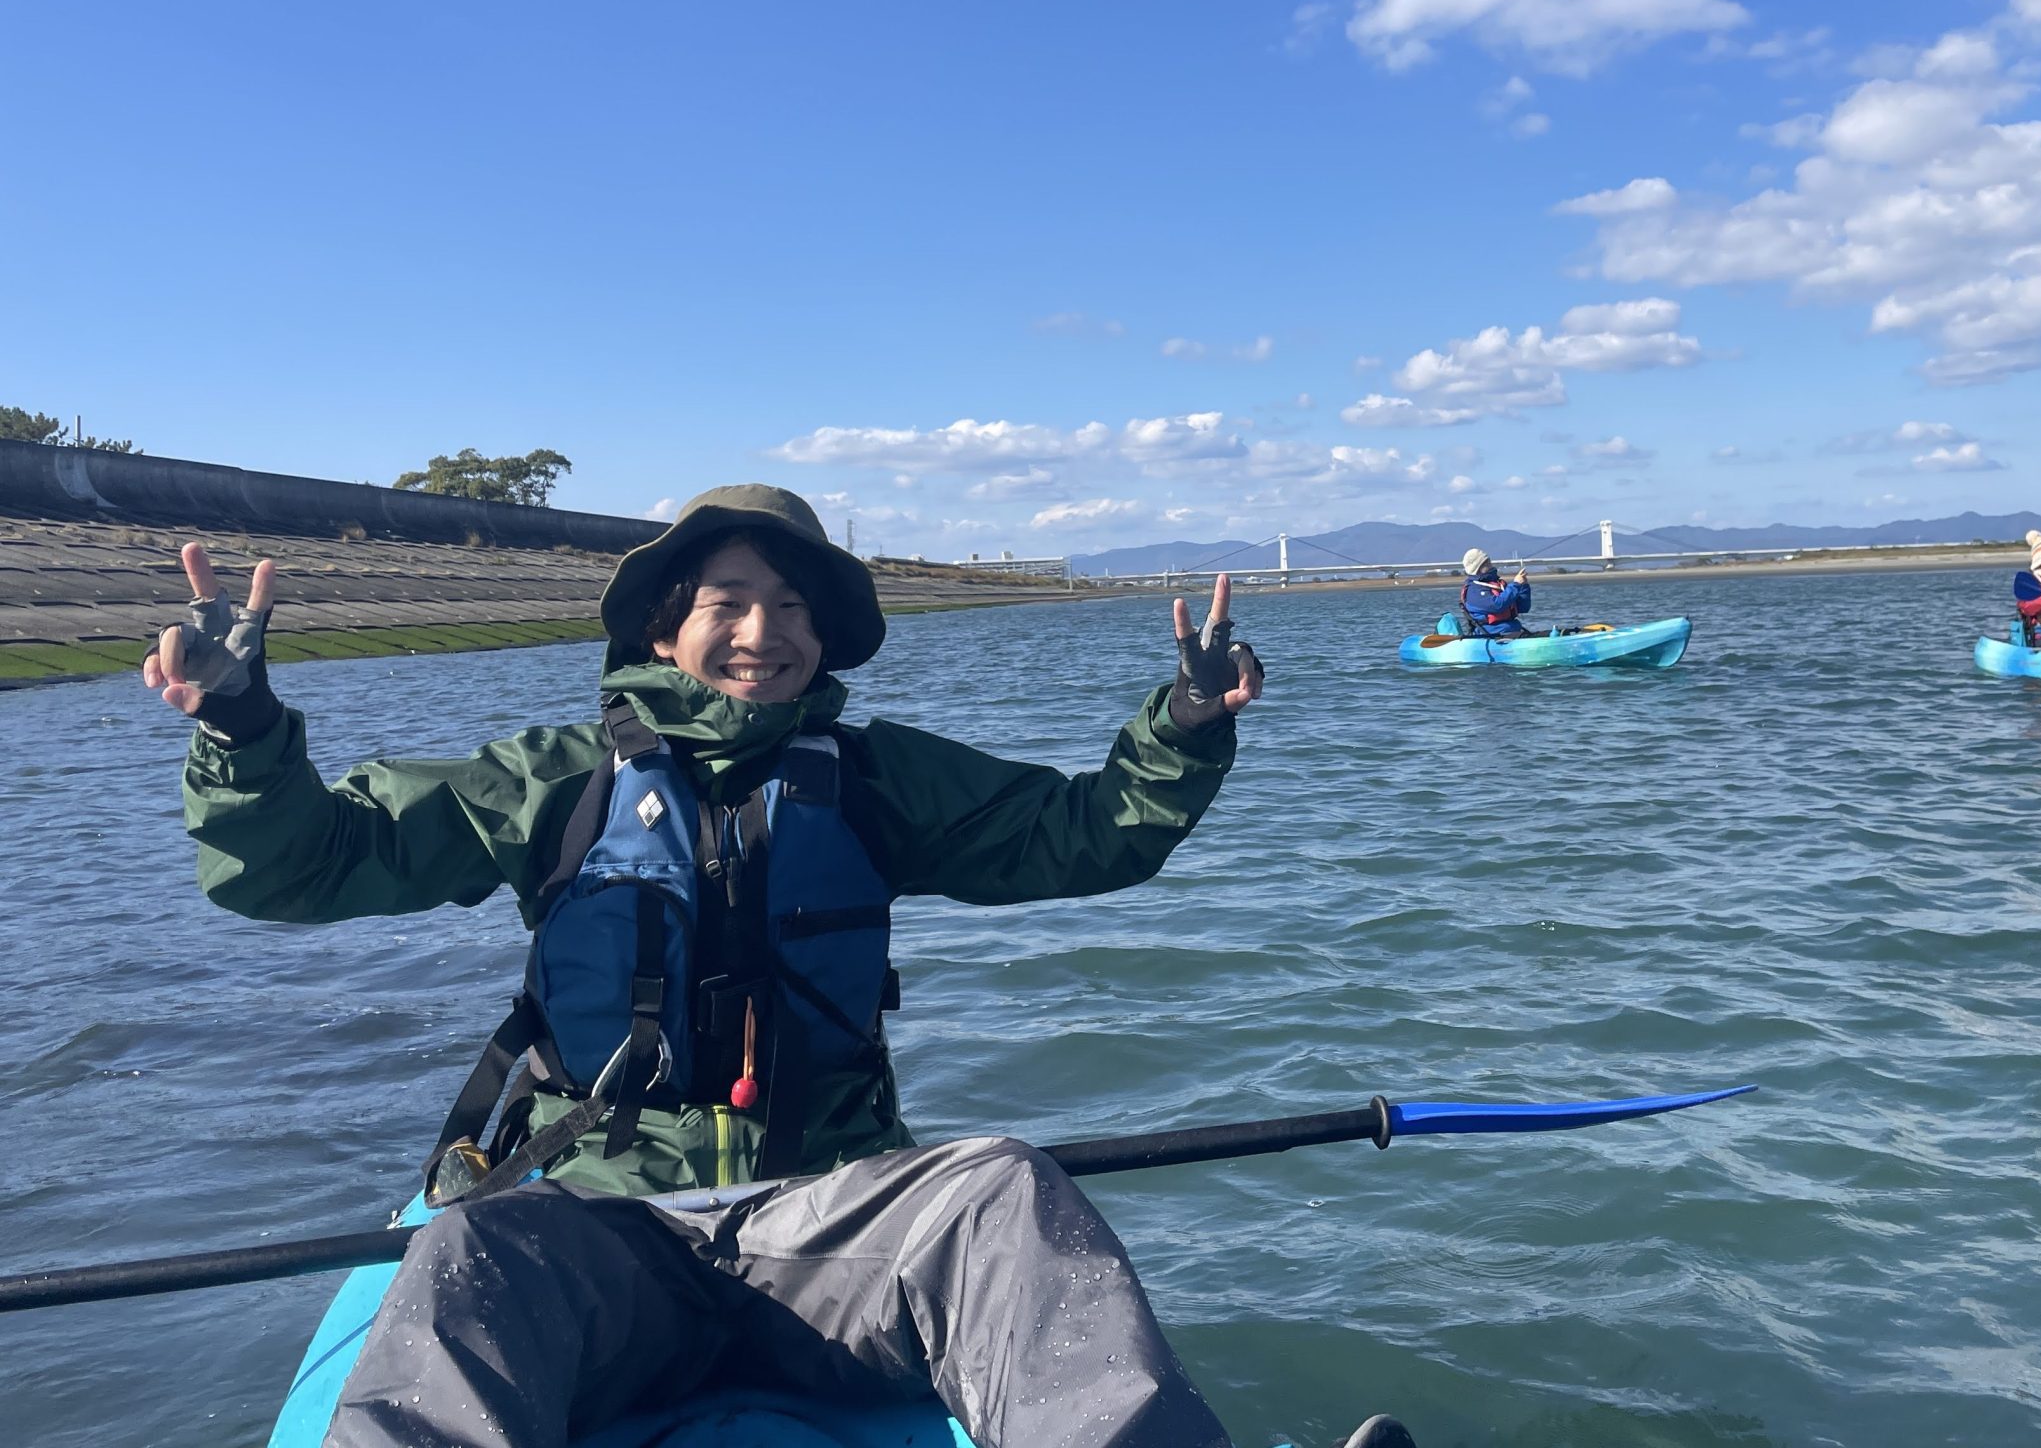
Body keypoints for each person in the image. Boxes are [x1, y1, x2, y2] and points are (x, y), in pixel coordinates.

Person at [147, 485, 1410, 1448]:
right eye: (733, 604)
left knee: (999, 1186)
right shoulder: (554, 779)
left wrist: (1181, 729)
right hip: (607, 1229)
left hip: (826, 1229)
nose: (768, 634)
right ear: (668, 625)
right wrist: (246, 730)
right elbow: (298, 866)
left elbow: (1083, 834)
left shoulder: (871, 777)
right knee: (470, 1252)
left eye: (796, 608)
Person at [1456, 547, 1535, 637]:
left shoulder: (1498, 584)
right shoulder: (1473, 590)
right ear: (1477, 568)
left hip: (1513, 630)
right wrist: (1516, 584)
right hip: (1492, 634)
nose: (1490, 565)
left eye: (1488, 561)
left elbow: (1523, 608)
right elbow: (1496, 605)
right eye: (1485, 563)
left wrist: (1523, 586)